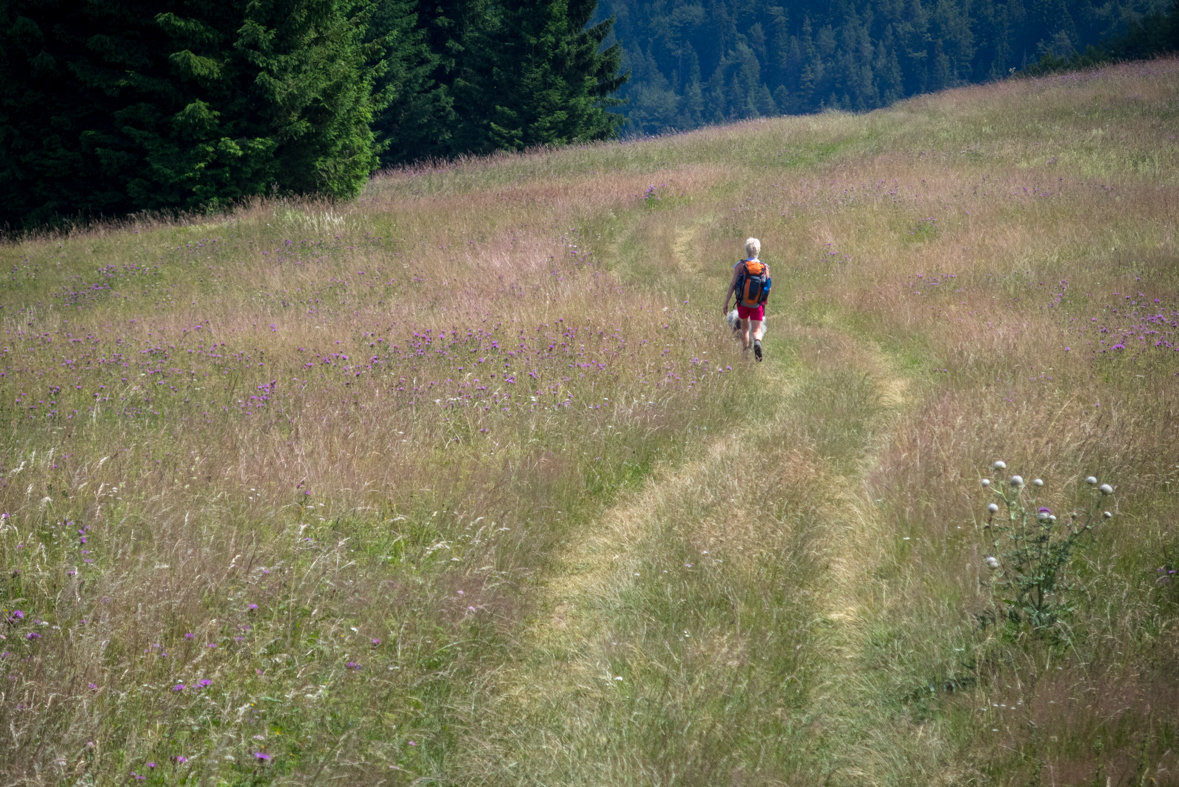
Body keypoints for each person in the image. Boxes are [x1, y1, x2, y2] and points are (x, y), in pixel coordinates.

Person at [721, 237, 769, 361]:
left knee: (745, 328)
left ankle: (745, 353)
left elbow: (732, 285)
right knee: (757, 329)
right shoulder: (764, 267)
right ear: (758, 250)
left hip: (742, 303)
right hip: (757, 304)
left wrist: (726, 303)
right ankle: (757, 342)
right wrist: (764, 301)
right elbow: (767, 287)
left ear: (746, 250)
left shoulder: (740, 265)